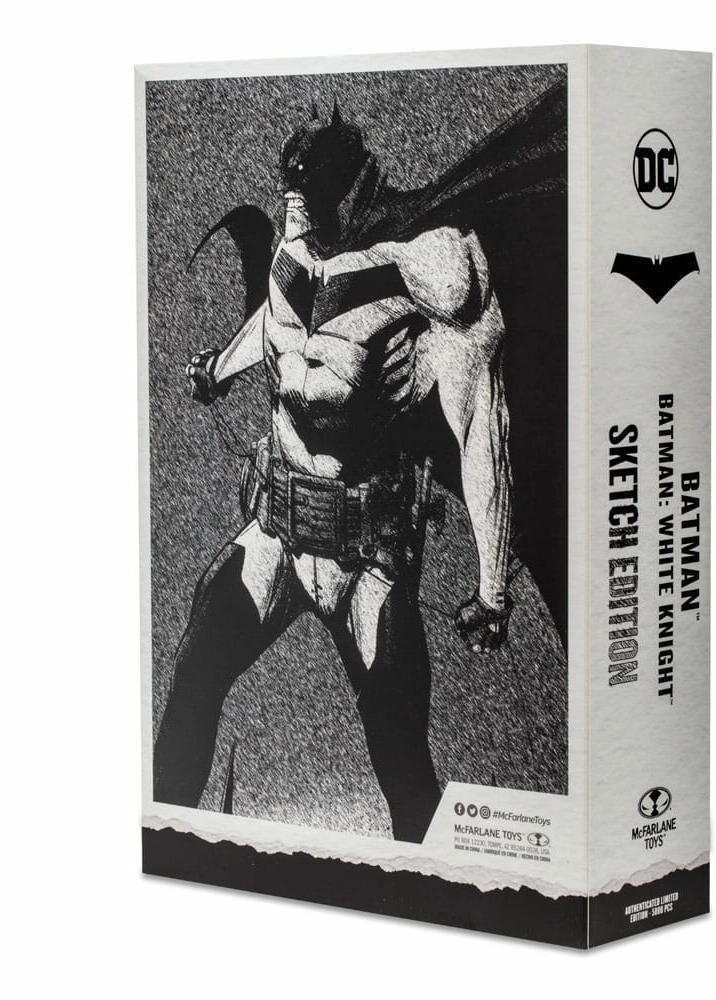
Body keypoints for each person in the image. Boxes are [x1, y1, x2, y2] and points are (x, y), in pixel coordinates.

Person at [152, 102, 514, 843]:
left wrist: (493, 585)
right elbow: (283, 318)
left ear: (353, 193)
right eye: (294, 206)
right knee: (194, 673)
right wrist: (222, 368)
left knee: (401, 760)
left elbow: (481, 422)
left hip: (364, 563)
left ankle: (435, 892)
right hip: (277, 533)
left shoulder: (431, 269)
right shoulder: (299, 236)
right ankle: (164, 846)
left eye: (314, 208)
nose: (300, 222)